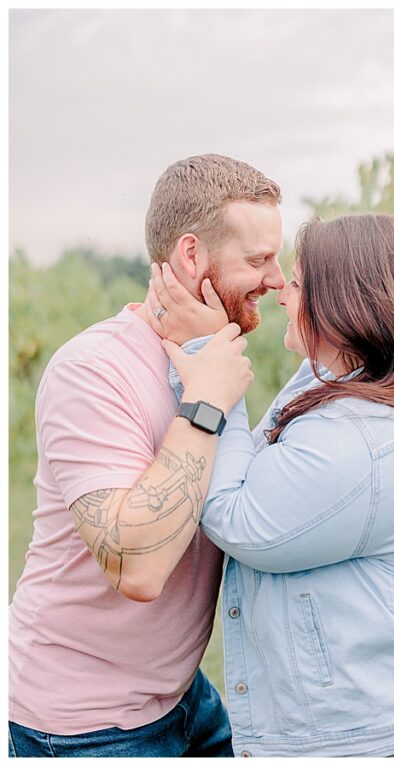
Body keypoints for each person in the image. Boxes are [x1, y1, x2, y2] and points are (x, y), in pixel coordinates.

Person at [149, 212, 394, 757]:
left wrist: (208, 369)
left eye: (296, 282)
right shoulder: (367, 383)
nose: (280, 293)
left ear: (344, 304)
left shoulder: (364, 439)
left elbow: (240, 517)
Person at [8, 154, 284, 756]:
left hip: (183, 697)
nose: (278, 279)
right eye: (259, 260)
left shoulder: (209, 357)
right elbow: (139, 569)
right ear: (192, 256)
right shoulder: (92, 371)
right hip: (81, 725)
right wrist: (208, 400)